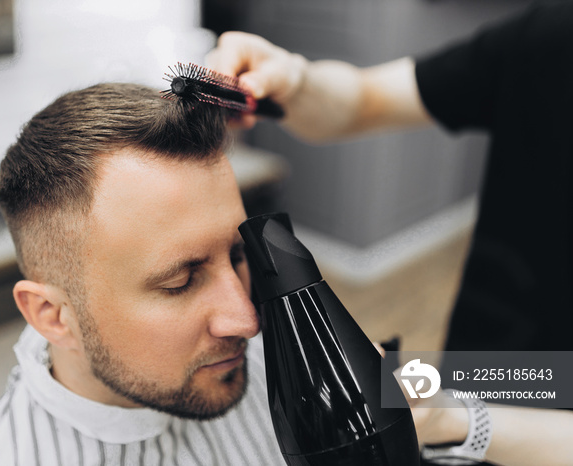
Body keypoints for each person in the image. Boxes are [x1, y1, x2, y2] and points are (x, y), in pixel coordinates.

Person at [206, 1, 573, 465]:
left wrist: (461, 421)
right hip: (512, 364)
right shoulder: (551, 36)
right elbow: (363, 98)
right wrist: (297, 77)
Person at [0, 83, 285, 465]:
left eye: (238, 256)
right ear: (52, 316)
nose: (247, 322)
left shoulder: (269, 363)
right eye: (179, 283)